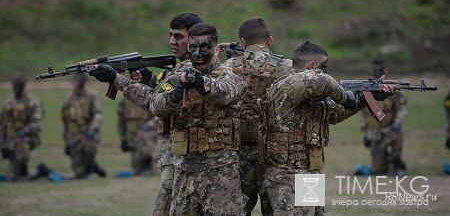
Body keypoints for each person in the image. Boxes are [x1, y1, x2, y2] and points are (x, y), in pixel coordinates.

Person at [89, 22, 248, 215]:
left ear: (216, 50)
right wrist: (174, 93)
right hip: (184, 171)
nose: (197, 54)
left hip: (219, 171)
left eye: (204, 48)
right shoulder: (179, 75)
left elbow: (224, 92)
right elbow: (155, 102)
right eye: (192, 48)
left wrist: (199, 83)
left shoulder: (228, 76)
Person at [260, 41, 397, 215]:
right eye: (323, 66)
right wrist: (346, 96)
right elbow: (321, 80)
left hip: (309, 172)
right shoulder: (287, 86)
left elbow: (334, 114)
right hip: (288, 176)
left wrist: (366, 97)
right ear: (312, 65)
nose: (325, 71)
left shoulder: (312, 93)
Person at [129, 12, 203, 215]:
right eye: (170, 35)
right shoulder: (183, 67)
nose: (172, 41)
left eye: (178, 36)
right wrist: (149, 79)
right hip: (176, 157)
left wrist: (119, 82)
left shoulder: (191, 67)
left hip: (181, 158)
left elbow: (155, 103)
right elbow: (169, 93)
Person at [223, 17, 292, 216]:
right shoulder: (286, 67)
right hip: (276, 154)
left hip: (239, 154)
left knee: (237, 210)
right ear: (270, 41)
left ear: (243, 42)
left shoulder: (229, 66)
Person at [359, 59, 408, 177]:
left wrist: (397, 123)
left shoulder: (391, 87)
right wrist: (365, 134)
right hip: (375, 132)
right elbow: (362, 113)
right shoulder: (366, 88)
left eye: (380, 69)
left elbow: (402, 108)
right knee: (378, 171)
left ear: (386, 71)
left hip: (390, 128)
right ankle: (388, 159)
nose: (377, 71)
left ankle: (396, 163)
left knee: (397, 137)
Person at [61, 73, 106, 179]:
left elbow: (98, 114)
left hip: (88, 134)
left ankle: (91, 166)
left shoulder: (92, 96)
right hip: (73, 135)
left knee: (88, 158)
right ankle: (92, 167)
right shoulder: (68, 99)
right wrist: (66, 140)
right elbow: (65, 120)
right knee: (79, 173)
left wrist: (91, 129)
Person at [0, 74, 44, 181]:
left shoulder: (32, 102)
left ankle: (26, 173)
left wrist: (24, 131)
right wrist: (2, 143)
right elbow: (2, 124)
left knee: (19, 172)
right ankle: (34, 172)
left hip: (28, 138)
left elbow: (38, 124)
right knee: (15, 172)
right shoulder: (8, 104)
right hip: (10, 139)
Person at [117, 98, 158, 176]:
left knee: (144, 145)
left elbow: (158, 116)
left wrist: (148, 126)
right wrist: (123, 138)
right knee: (137, 170)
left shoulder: (150, 97)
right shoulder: (124, 102)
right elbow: (120, 121)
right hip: (131, 134)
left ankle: (149, 164)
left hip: (147, 132)